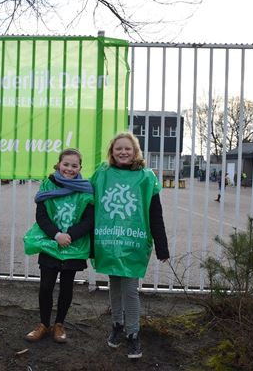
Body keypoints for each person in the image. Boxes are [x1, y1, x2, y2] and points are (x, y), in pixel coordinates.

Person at [90, 133, 169, 359]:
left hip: (133, 242)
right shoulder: (102, 174)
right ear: (112, 152)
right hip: (109, 240)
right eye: (118, 149)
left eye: (128, 149)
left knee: (130, 289)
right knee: (114, 284)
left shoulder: (146, 178)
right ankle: (117, 324)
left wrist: (162, 246)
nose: (123, 152)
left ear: (135, 152)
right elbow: (87, 203)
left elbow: (155, 214)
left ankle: (133, 334)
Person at [23, 148, 94, 344]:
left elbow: (89, 220)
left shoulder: (86, 189)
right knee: (45, 286)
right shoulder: (47, 186)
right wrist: (56, 235)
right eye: (66, 164)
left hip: (73, 246)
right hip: (51, 243)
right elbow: (42, 216)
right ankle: (44, 324)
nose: (69, 169)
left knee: (66, 287)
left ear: (80, 167)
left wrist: (70, 235)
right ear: (58, 164)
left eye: (74, 165)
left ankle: (59, 324)